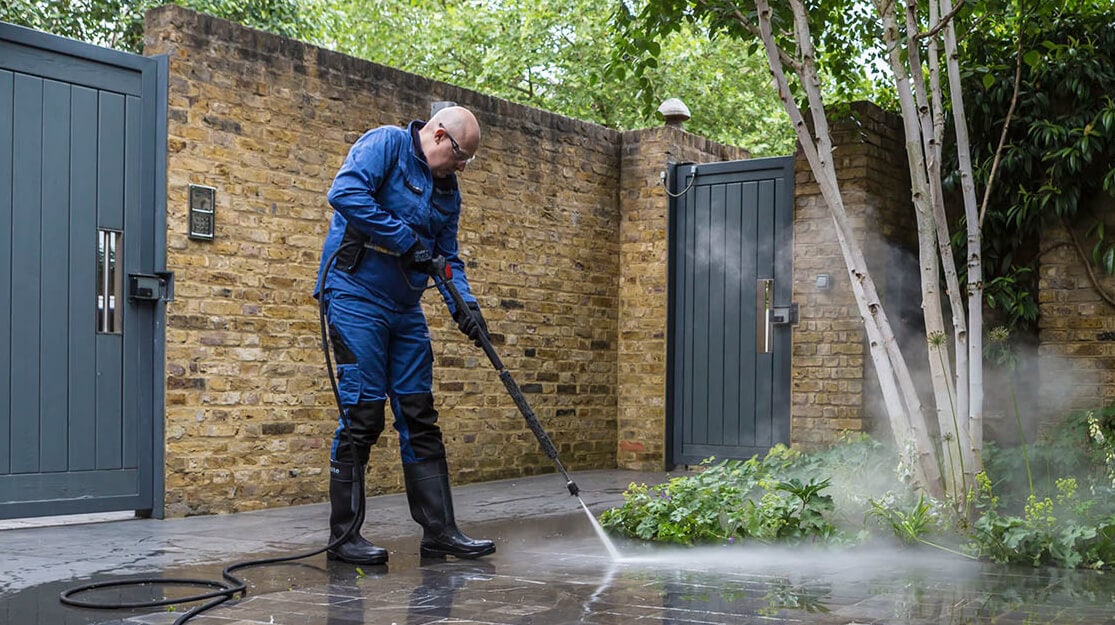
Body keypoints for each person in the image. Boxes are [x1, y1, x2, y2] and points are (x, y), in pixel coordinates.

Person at [314, 105, 494, 564]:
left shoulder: (447, 190)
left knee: (419, 412)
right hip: (355, 294)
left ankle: (439, 531)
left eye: (467, 161)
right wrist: (406, 240)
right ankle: (344, 538)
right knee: (363, 411)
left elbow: (446, 257)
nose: (461, 167)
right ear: (439, 136)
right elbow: (345, 193)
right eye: (460, 156)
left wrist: (465, 307)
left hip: (404, 306)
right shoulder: (386, 145)